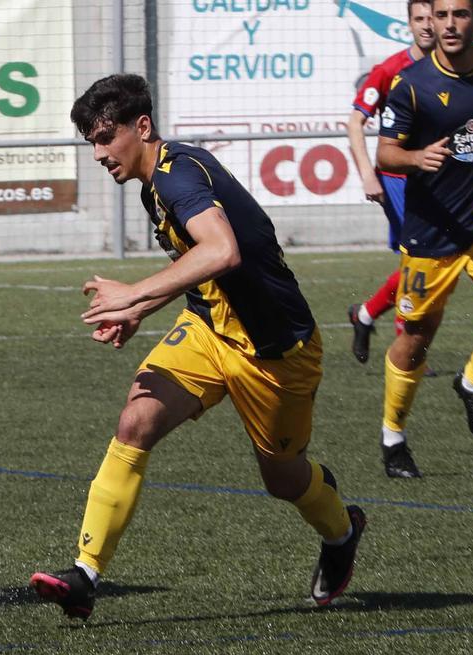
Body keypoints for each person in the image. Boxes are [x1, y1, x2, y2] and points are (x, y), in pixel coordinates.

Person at [28, 74, 366, 619]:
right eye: (91, 142)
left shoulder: (177, 175)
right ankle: (84, 576)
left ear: (142, 127)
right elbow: (200, 266)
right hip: (208, 329)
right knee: (135, 422)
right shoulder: (153, 183)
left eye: (105, 138)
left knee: (283, 478)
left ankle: (342, 530)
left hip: (274, 351)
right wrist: (141, 309)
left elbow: (221, 250)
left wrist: (135, 293)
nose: (98, 154)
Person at [375, 0, 473, 479]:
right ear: (430, 20)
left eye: (460, 14)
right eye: (442, 15)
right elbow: (385, 154)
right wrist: (416, 158)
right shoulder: (412, 85)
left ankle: (472, 382)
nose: (449, 24)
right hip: (432, 230)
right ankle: (393, 437)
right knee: (416, 340)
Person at [347, 0, 436, 364]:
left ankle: (365, 314)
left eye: (432, 17)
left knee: (430, 261)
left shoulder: (454, 68)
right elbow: (355, 123)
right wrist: (368, 174)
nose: (427, 25)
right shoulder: (389, 70)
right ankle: (406, 351)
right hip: (398, 179)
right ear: (409, 24)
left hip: (439, 181)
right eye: (419, 19)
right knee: (417, 259)